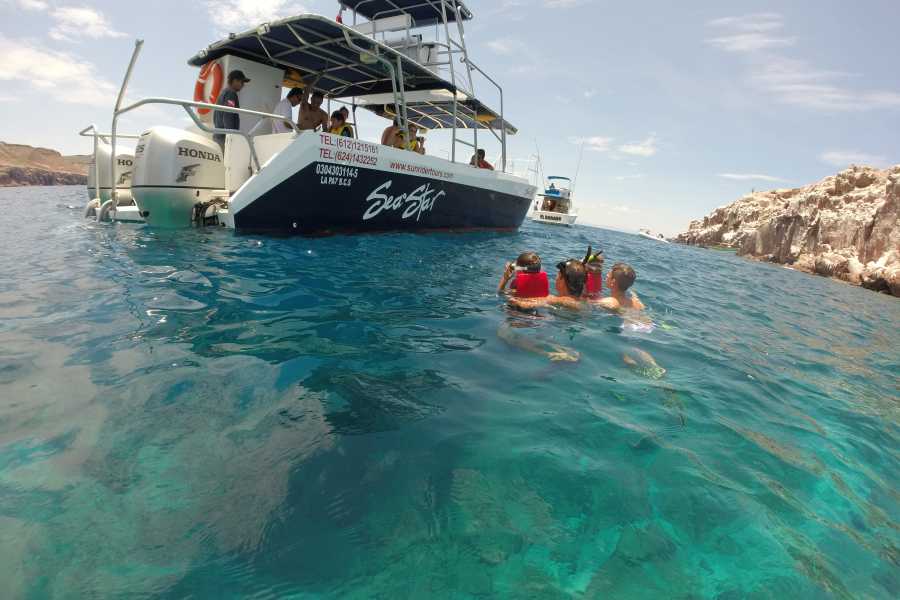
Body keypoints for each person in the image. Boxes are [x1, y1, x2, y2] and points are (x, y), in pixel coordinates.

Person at [508, 258, 586, 310]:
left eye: (557, 276)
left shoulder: (561, 299)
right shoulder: (583, 299)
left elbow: (535, 302)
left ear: (562, 279)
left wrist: (519, 302)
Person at [213, 69, 250, 150]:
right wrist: (231, 136)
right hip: (224, 138)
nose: (243, 85)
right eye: (242, 82)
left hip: (218, 135)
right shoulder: (231, 94)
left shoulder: (224, 92)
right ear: (235, 81)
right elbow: (228, 114)